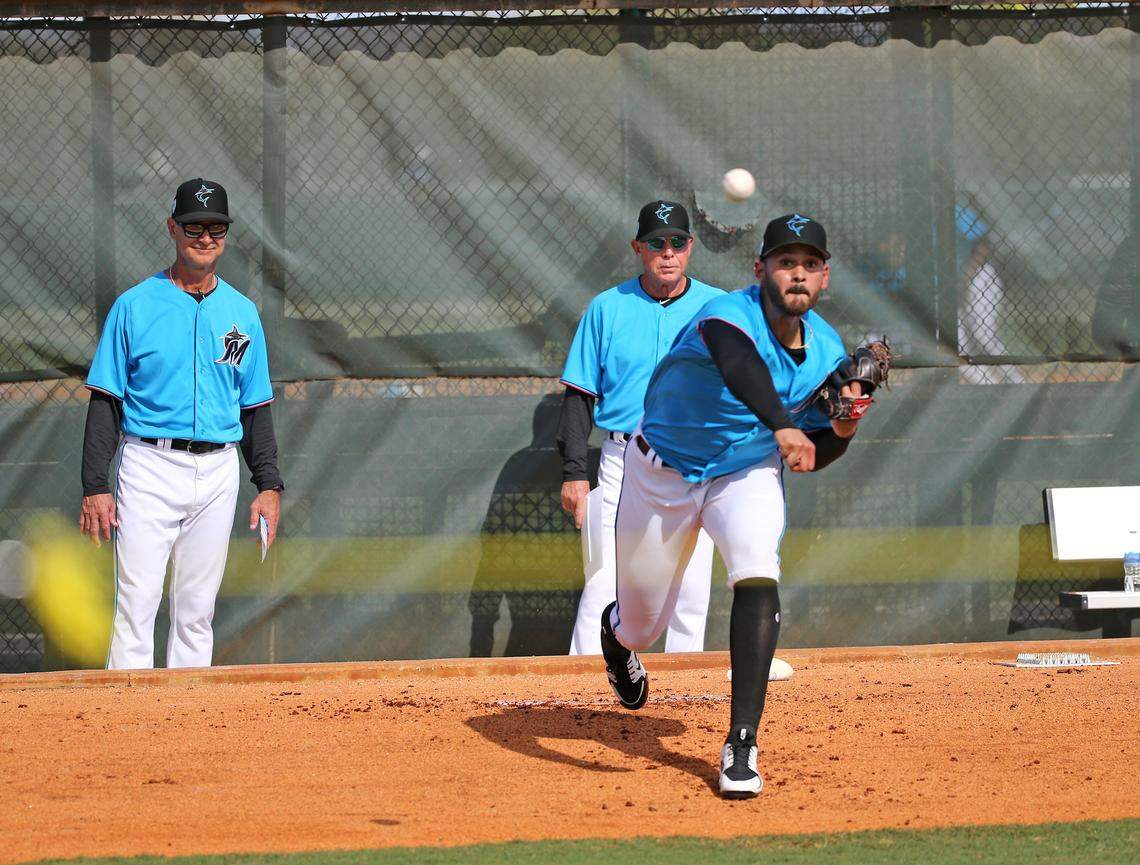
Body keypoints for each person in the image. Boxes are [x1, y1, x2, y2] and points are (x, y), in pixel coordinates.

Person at [598, 213, 868, 799]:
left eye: (809, 264)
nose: (797, 274)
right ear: (760, 270)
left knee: (756, 568)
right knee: (645, 626)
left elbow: (809, 457)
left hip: (741, 473)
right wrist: (781, 424)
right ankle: (617, 638)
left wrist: (842, 428)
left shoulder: (824, 349)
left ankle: (741, 742)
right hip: (660, 471)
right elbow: (738, 363)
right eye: (785, 262)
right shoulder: (726, 314)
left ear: (825, 278)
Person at [79, 178, 284, 669]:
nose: (205, 237)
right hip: (149, 463)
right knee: (137, 605)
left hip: (217, 471)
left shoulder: (241, 312)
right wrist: (94, 485)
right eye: (194, 226)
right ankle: (126, 731)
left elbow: (254, 407)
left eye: (216, 227)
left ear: (226, 235)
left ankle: (186, 733)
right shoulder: (135, 306)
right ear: (173, 228)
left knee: (196, 611)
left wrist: (269, 483)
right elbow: (106, 400)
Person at [557, 200, 722, 656]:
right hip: (622, 459)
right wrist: (574, 471)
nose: (667, 252)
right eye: (656, 243)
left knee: (689, 586)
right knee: (604, 580)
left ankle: (683, 691)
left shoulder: (718, 307)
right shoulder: (607, 308)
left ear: (690, 247)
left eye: (677, 242)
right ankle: (584, 685)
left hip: (695, 458)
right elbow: (579, 396)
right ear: (638, 248)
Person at [955, 201, 1026, 385]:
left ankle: (1016, 381)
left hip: (978, 277)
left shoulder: (955, 209)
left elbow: (983, 243)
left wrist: (966, 276)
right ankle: (987, 385)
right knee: (955, 344)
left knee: (983, 333)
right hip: (949, 285)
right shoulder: (923, 216)